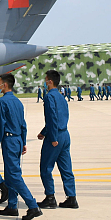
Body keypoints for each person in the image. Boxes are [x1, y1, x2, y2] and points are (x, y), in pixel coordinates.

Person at [0, 73, 42, 220]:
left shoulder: (2, 102)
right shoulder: (18, 102)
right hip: (17, 140)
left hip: (9, 140)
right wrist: (23, 141)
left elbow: (0, 124)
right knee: (9, 175)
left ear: (5, 85)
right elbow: (23, 124)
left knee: (14, 175)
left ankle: (32, 205)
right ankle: (12, 206)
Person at [37, 70, 78, 209]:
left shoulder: (49, 97)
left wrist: (52, 136)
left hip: (55, 137)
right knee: (66, 168)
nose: (44, 82)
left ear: (50, 81)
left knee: (46, 168)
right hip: (65, 134)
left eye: (45, 79)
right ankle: (71, 197)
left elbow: (52, 118)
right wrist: (44, 132)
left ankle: (50, 197)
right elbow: (62, 116)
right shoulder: (61, 96)